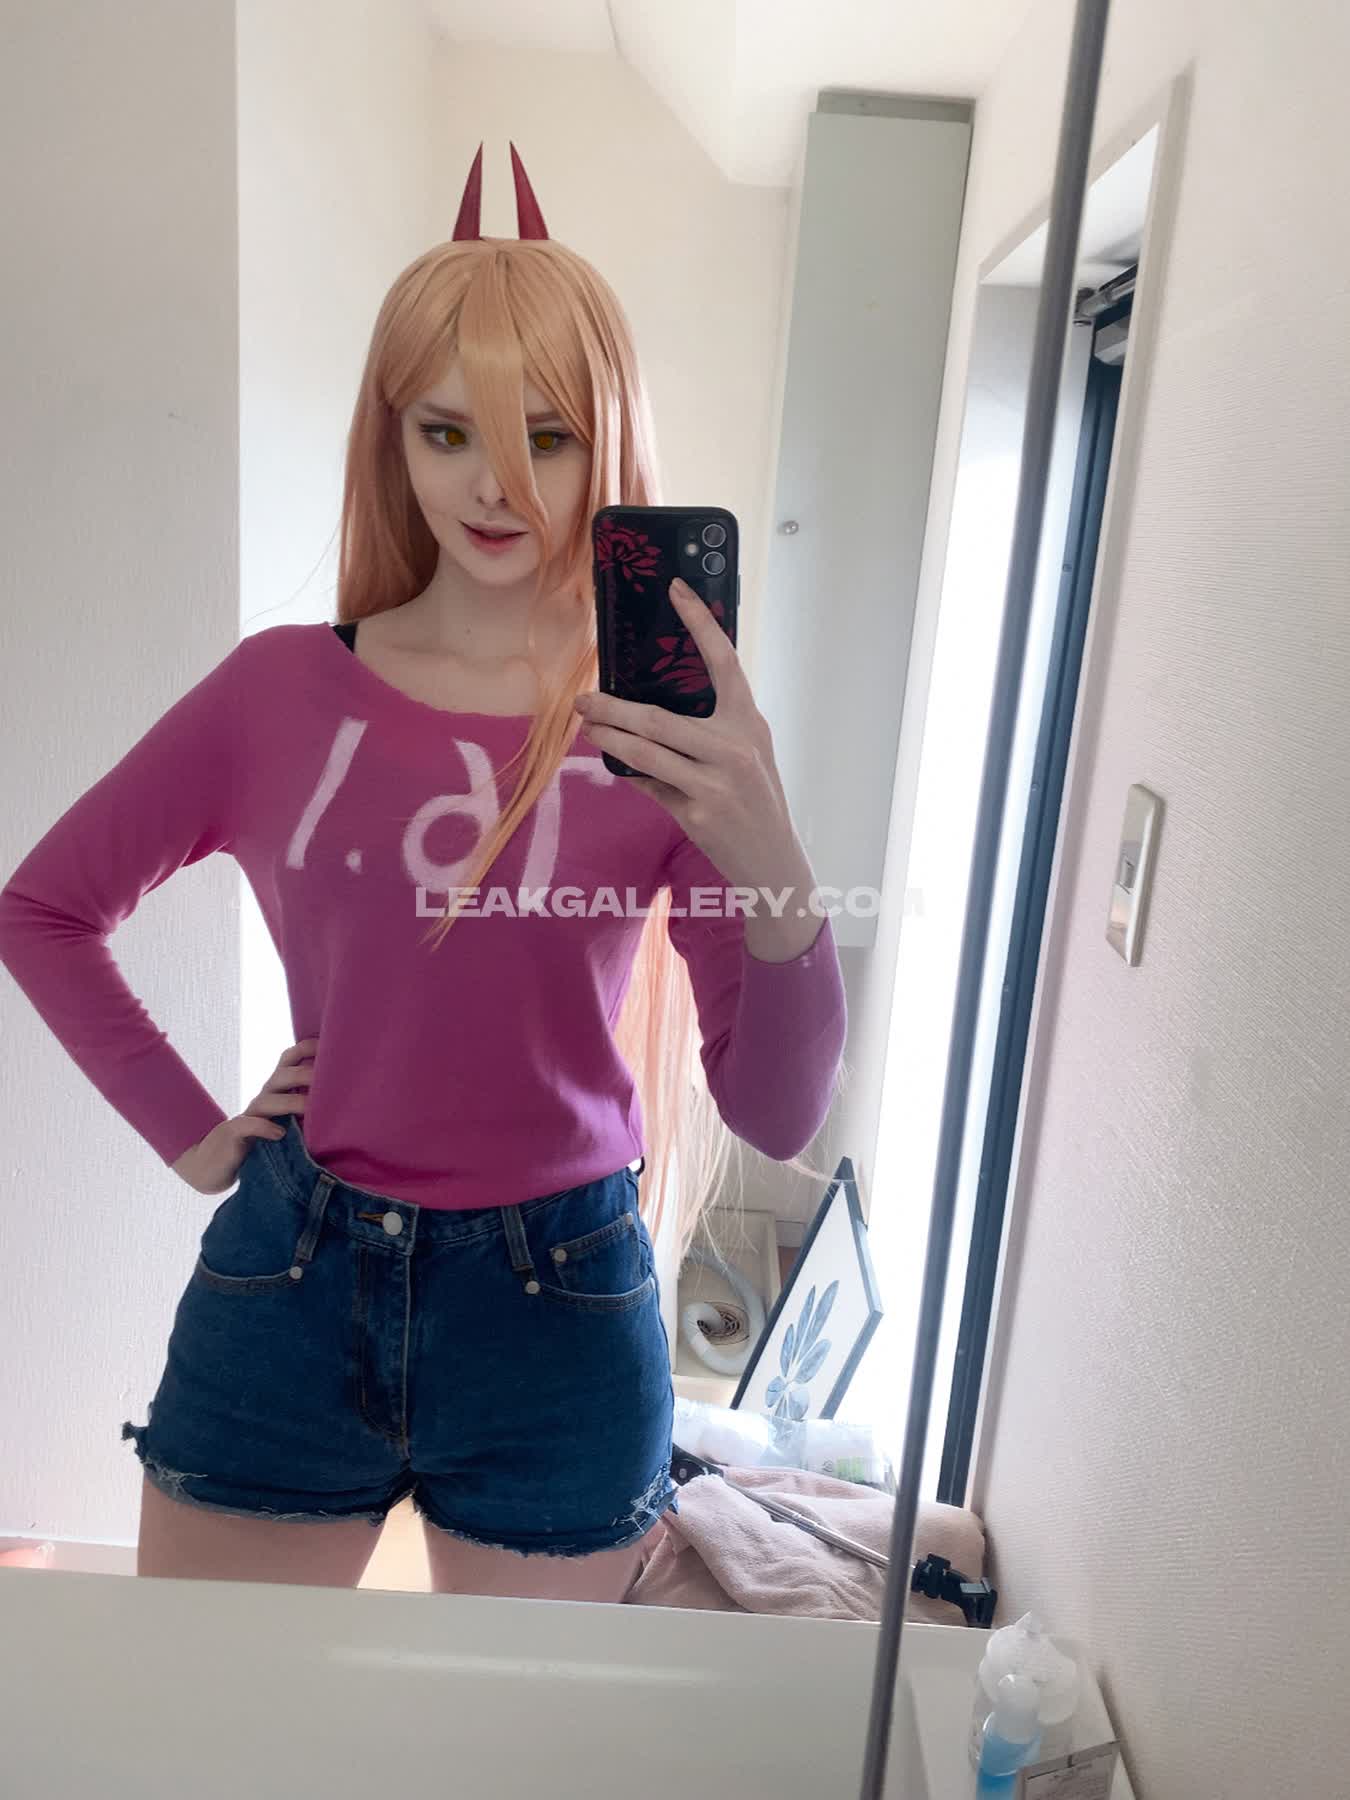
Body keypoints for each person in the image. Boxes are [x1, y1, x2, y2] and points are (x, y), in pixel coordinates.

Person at [0, 143, 848, 1598]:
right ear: (389, 437)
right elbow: (44, 909)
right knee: (215, 1707)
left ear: (607, 446)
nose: (494, 485)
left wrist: (770, 853)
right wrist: (191, 1133)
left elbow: (775, 1110)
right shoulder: (277, 693)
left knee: (517, 1723)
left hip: (562, 1304)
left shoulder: (654, 732)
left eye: (547, 438)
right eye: (447, 431)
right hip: (292, 1274)